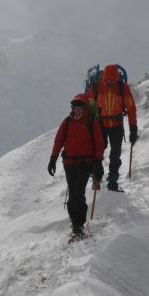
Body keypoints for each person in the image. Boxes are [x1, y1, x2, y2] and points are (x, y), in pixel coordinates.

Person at [48, 93, 104, 238]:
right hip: (69, 164)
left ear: (85, 109)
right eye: (75, 108)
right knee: (74, 194)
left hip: (86, 164)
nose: (77, 111)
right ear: (72, 109)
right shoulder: (67, 122)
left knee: (77, 193)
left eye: (80, 108)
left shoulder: (92, 122)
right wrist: (53, 159)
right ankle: (76, 223)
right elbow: (59, 141)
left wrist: (98, 163)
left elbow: (99, 144)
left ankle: (78, 226)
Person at [87, 64, 138, 192]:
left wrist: (133, 128)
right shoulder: (96, 87)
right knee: (97, 152)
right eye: (108, 79)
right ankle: (96, 179)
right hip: (100, 125)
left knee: (115, 154)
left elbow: (131, 109)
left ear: (116, 77)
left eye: (113, 79)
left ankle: (113, 181)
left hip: (116, 125)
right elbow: (88, 107)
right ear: (104, 77)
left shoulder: (123, 88)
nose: (110, 82)